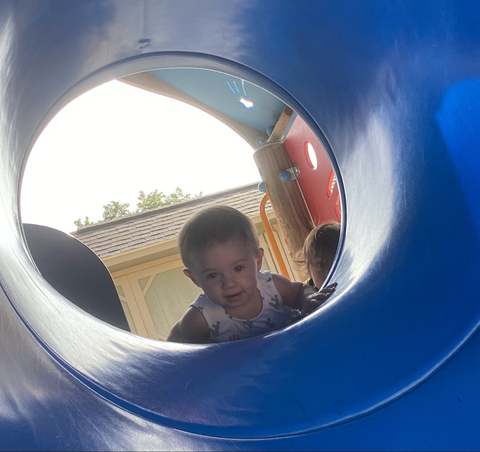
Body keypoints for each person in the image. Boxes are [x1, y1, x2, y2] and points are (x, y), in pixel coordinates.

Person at [167, 206, 337, 343]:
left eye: (238, 268)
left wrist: (308, 299)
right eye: (213, 275)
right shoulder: (202, 316)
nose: (229, 283)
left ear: (257, 262)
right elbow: (174, 346)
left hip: (296, 347)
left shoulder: (271, 286)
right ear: (195, 279)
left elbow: (299, 290)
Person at [298, 222, 340, 290]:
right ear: (308, 270)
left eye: (336, 263)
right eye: (320, 265)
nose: (328, 273)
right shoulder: (307, 297)